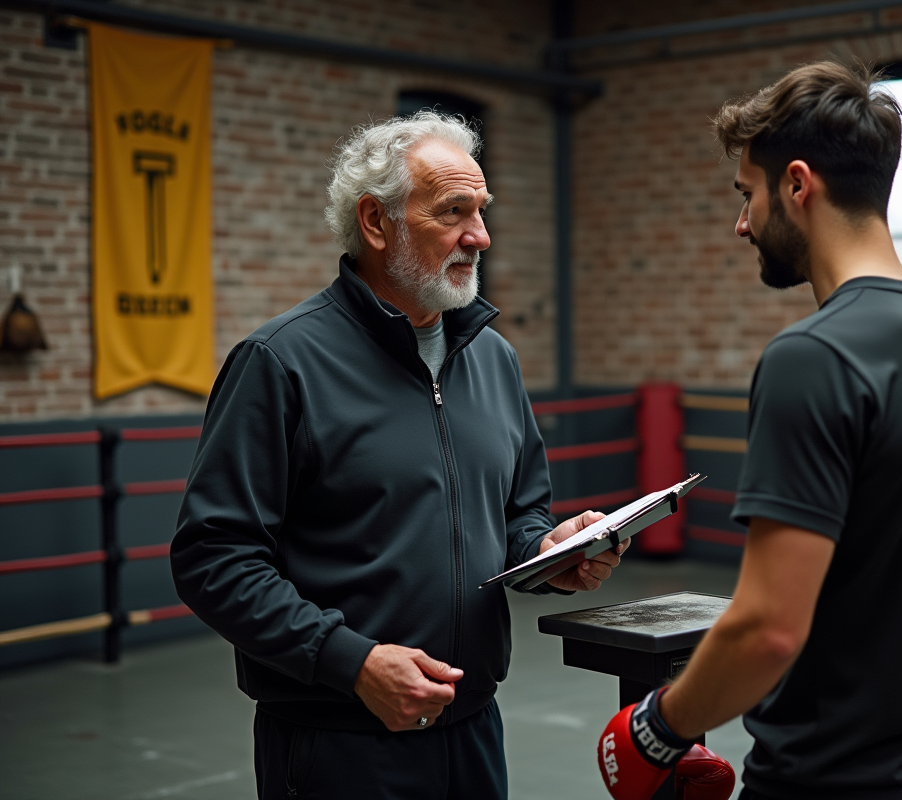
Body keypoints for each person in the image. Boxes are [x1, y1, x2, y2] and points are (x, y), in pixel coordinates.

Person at [171, 111, 624, 800]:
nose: (481, 236)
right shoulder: (280, 363)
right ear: (377, 223)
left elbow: (518, 518)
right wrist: (351, 663)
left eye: (481, 210)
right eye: (453, 211)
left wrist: (553, 554)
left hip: (472, 729)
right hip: (339, 743)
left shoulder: (492, 359)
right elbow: (213, 557)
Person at [597, 61, 902, 800]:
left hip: (827, 783)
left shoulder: (813, 357)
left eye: (747, 194)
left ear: (796, 184)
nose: (742, 222)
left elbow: (769, 631)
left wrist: (657, 728)